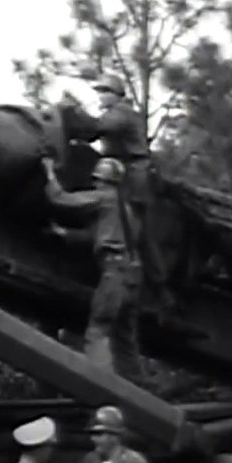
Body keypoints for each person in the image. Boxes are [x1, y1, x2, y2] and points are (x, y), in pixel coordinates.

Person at [42, 156, 146, 384]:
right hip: (133, 277)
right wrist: (64, 234)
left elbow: (60, 199)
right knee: (125, 340)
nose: (95, 184)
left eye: (97, 180)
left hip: (114, 273)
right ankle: (141, 395)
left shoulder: (105, 199)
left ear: (103, 180)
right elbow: (97, 236)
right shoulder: (125, 210)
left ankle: (101, 387)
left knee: (97, 332)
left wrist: (49, 171)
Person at [78, 73, 172, 309]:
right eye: (100, 92)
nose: (101, 96)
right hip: (124, 172)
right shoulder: (115, 113)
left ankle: (154, 286)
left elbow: (97, 127)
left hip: (133, 175)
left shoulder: (122, 113)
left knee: (134, 230)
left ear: (116, 95)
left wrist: (72, 112)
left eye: (105, 92)